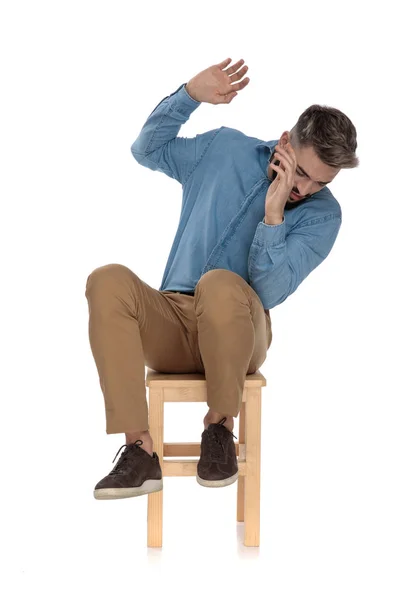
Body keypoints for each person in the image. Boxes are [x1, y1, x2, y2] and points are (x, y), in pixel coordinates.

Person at [85, 57, 359, 500]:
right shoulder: (224, 149)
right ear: (286, 142)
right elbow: (146, 151)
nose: (303, 190)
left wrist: (274, 217)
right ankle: (139, 450)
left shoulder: (324, 215)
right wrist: (188, 96)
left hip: (242, 332)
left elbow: (270, 291)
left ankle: (219, 429)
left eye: (319, 183)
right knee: (107, 279)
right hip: (173, 319)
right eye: (302, 173)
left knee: (219, 282)